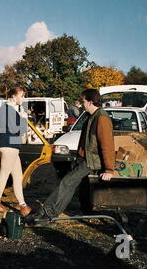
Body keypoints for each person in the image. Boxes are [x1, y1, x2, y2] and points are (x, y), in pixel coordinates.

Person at [26, 89, 115, 223]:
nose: (81, 104)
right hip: (83, 159)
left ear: (90, 102)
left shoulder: (101, 118)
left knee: (66, 183)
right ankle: (86, 211)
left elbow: (107, 144)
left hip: (89, 162)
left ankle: (46, 213)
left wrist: (109, 169)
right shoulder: (91, 116)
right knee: (81, 188)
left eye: (83, 101)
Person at [0, 86, 32, 216]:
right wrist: (24, 119)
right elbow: (16, 129)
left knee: (17, 177)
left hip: (11, 146)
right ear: (14, 96)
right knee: (4, 175)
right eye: (22, 96)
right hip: (9, 146)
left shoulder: (6, 109)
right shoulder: (8, 109)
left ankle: (23, 205)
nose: (23, 98)